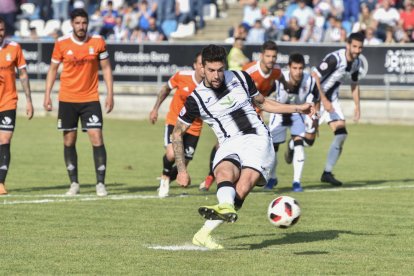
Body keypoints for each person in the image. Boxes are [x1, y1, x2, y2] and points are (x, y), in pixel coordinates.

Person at [171, 44, 313, 249]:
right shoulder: (196, 99)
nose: (216, 75)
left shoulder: (240, 77)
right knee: (223, 172)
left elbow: (263, 103)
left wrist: (298, 108)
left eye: (220, 70)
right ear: (202, 68)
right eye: (211, 70)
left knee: (244, 186)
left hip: (257, 139)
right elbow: (177, 133)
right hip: (229, 142)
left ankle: (212, 222)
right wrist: (182, 170)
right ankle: (221, 212)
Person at [44, 8, 114, 196]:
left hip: (90, 98)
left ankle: (100, 183)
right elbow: (52, 70)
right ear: (71, 24)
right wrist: (47, 95)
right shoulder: (61, 43)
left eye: (84, 23)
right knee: (69, 139)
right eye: (77, 23)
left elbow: (106, 69)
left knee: (96, 137)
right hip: (67, 99)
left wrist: (110, 94)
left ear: (88, 23)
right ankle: (74, 183)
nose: (81, 26)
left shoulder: (98, 42)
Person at [199, 40, 285, 192]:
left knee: (267, 143)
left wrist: (291, 89)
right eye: (268, 56)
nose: (271, 59)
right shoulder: (249, 70)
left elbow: (281, 82)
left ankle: (261, 176)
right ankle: (211, 176)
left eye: (274, 56)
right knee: (222, 144)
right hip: (238, 113)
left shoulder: (277, 71)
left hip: (256, 113)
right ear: (261, 56)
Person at [311, 32, 364, 186]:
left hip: (331, 100)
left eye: (360, 47)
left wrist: (357, 107)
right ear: (348, 45)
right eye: (354, 46)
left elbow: (354, 84)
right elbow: (315, 76)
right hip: (314, 97)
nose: (357, 50)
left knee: (341, 134)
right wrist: (323, 99)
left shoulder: (357, 63)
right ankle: (293, 145)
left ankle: (327, 173)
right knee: (308, 140)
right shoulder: (335, 58)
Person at [149, 53, 204, 198]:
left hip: (195, 127)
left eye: (206, 64)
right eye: (200, 64)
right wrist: (155, 109)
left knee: (183, 166)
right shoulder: (182, 76)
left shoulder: (211, 84)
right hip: (175, 121)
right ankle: (165, 179)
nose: (203, 67)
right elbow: (165, 89)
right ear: (195, 65)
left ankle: (167, 177)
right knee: (172, 154)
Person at [267, 53, 319, 192]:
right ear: (289, 67)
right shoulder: (279, 78)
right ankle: (272, 177)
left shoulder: (310, 81)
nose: (298, 71)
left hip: (298, 114)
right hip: (279, 113)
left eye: (301, 68)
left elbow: (316, 99)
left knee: (299, 145)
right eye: (294, 68)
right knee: (272, 149)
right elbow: (264, 93)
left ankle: (296, 182)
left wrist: (315, 118)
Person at [0, 18, 34, 195]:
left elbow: (23, 73)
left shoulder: (14, 47)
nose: (0, 32)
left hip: (8, 101)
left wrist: (28, 100)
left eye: (1, 29)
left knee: (5, 140)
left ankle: (1, 182)